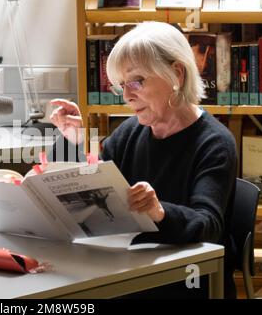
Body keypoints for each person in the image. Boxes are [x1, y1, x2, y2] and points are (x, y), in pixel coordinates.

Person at [49, 21, 237, 299]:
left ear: (176, 74)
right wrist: (74, 141)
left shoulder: (215, 143)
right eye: (121, 86)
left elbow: (207, 225)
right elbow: (96, 188)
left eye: (136, 81)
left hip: (186, 281)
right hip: (129, 271)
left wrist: (159, 211)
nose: (126, 96)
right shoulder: (129, 131)